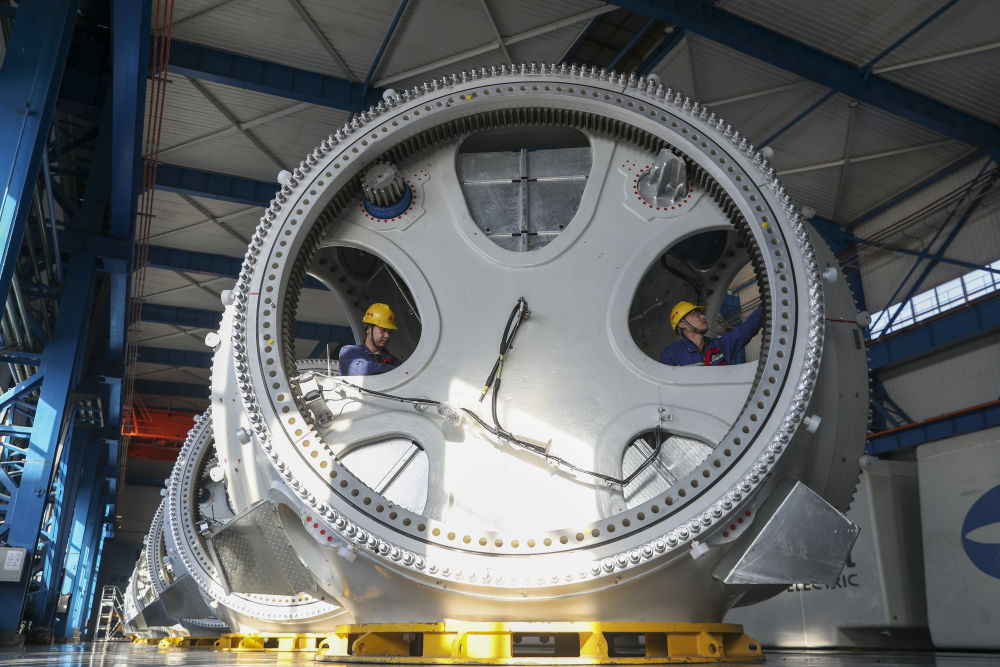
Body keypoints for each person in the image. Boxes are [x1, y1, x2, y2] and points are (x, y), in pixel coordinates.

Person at [659, 300, 763, 366]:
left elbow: (746, 329)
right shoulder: (671, 354)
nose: (703, 316)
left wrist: (765, 305)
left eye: (701, 314)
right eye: (695, 314)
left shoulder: (720, 346)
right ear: (682, 324)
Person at [339, 303, 402, 376]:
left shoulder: (395, 361)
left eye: (390, 332)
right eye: (383, 330)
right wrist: (395, 370)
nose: (387, 335)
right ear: (369, 329)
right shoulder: (349, 351)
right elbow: (361, 370)